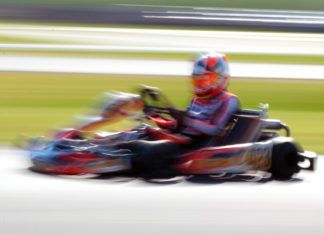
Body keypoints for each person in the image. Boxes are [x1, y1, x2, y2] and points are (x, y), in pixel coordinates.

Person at [146, 51, 240, 147]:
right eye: (198, 80)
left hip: (197, 147)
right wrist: (154, 117)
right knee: (139, 134)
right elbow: (178, 126)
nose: (201, 84)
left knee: (150, 148)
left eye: (205, 80)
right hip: (181, 139)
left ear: (221, 78)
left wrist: (186, 120)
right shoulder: (196, 99)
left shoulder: (228, 100)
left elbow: (216, 129)